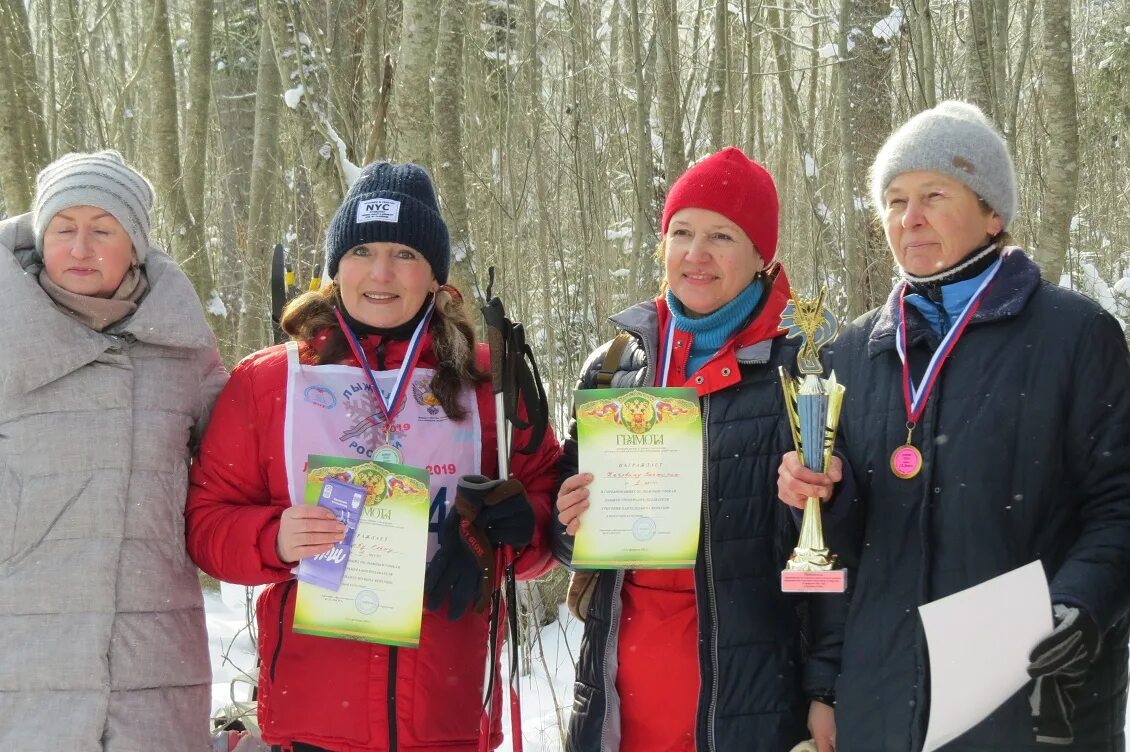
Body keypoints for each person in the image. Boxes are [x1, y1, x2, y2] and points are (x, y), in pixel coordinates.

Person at [778, 101, 1130, 750]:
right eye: (893, 200)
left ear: (993, 213)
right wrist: (826, 683)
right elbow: (836, 553)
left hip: (1029, 698)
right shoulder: (851, 356)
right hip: (882, 707)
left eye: (933, 195)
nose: (908, 218)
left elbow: (1119, 504)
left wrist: (1078, 610)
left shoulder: (1075, 336)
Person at [185, 161, 561, 752]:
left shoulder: (488, 381)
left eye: (406, 254)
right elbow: (206, 523)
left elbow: (551, 511)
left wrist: (526, 527)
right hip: (312, 716)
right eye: (361, 250)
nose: (381, 273)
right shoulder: (268, 383)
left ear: (436, 276)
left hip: (447, 713)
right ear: (334, 269)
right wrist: (274, 537)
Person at [554, 147, 841, 752]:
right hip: (617, 705)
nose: (696, 254)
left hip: (749, 705)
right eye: (681, 232)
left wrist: (827, 688)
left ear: (762, 254)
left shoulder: (804, 376)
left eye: (722, 235)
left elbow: (841, 556)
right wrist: (569, 518)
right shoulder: (615, 370)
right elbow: (563, 537)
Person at [0, 151, 226, 749]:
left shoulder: (184, 350)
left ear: (136, 246)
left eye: (102, 230)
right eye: (63, 229)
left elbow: (243, 466)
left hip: (152, 658)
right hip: (22, 650)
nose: (80, 248)